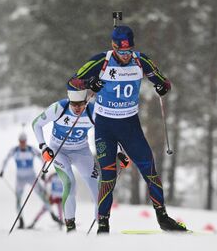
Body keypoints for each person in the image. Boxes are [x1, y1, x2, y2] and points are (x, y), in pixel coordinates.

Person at [68, 25, 186, 233]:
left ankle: (163, 218)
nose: (125, 55)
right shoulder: (101, 61)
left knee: (150, 171)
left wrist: (162, 87)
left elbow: (164, 83)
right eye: (121, 52)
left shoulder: (140, 60)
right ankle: (103, 224)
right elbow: (73, 81)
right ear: (113, 47)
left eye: (128, 50)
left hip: (130, 125)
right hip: (105, 126)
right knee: (108, 175)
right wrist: (90, 83)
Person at [32, 89, 100, 233]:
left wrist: (119, 152)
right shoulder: (59, 108)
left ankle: (102, 225)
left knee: (98, 188)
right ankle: (70, 226)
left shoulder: (93, 110)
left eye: (80, 104)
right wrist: (44, 147)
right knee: (69, 183)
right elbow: (36, 124)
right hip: (59, 150)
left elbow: (109, 131)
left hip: (81, 151)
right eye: (73, 104)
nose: (76, 108)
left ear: (86, 101)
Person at [0, 132, 52, 229]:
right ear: (19, 141)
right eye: (21, 141)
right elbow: (6, 159)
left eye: (24, 141)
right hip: (20, 179)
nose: (22, 143)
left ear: (26, 141)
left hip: (31, 177)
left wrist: (44, 172)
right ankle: (21, 221)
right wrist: (2, 170)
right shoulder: (15, 150)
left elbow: (43, 158)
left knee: (42, 195)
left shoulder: (31, 150)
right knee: (18, 199)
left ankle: (53, 216)